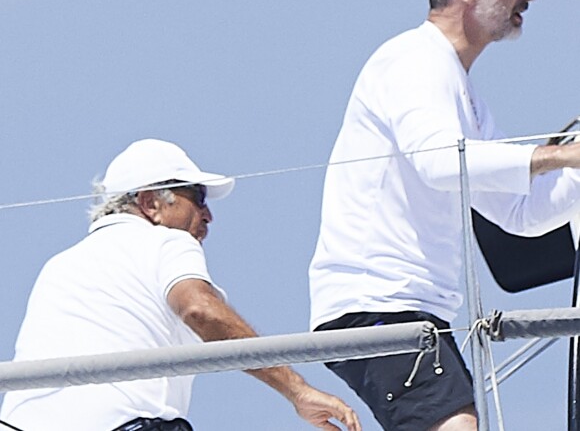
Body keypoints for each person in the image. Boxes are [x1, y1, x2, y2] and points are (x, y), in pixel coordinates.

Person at [308, 0, 580, 431]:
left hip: (412, 312)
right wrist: (562, 157)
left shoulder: (460, 88)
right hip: (379, 306)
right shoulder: (412, 61)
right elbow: (439, 163)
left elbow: (519, 215)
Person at [1, 139, 361, 431]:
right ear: (150, 203)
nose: (208, 215)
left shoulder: (59, 265)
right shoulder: (164, 241)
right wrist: (298, 390)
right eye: (197, 198)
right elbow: (199, 309)